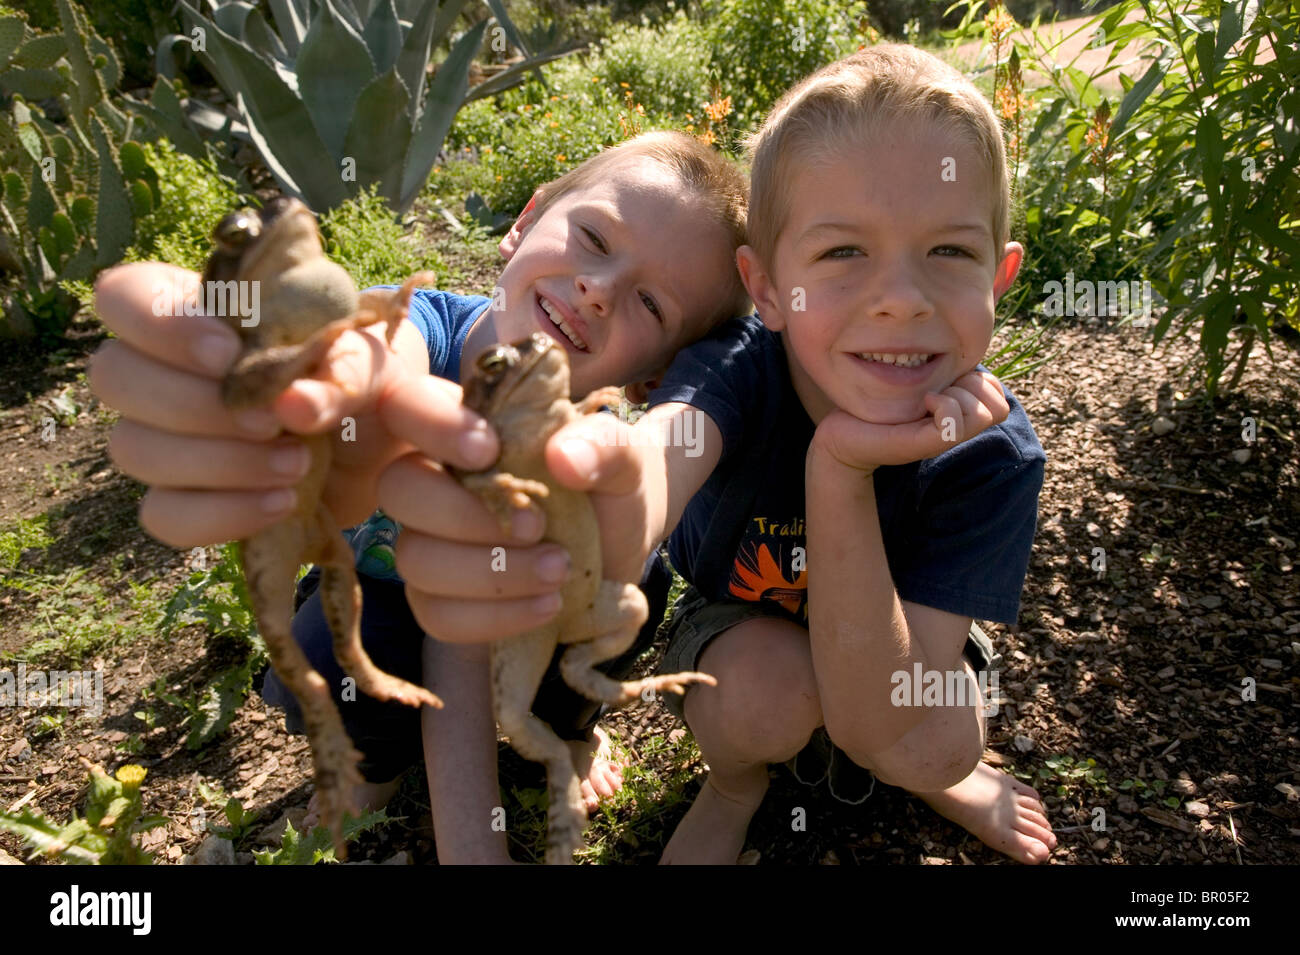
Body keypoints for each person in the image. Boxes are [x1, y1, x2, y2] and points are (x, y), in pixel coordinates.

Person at [396, 45, 1057, 864]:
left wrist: (840, 468)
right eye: (843, 253)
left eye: (949, 252)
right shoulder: (738, 368)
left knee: (934, 741)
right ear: (768, 288)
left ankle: (936, 784)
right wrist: (608, 478)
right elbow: (662, 456)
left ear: (997, 279)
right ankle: (737, 784)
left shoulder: (988, 450)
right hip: (749, 631)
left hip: (892, 664)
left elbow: (877, 713)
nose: (901, 298)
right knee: (759, 696)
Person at [90, 130, 749, 863]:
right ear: (524, 221)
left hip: (532, 604)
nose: (599, 287)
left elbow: (475, 633)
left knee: (637, 583)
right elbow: (376, 348)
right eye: (593, 236)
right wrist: (338, 386)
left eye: (651, 305)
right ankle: (377, 765)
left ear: (650, 381)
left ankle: (570, 726)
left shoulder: (585, 453)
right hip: (387, 596)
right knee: (327, 653)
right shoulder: (417, 324)